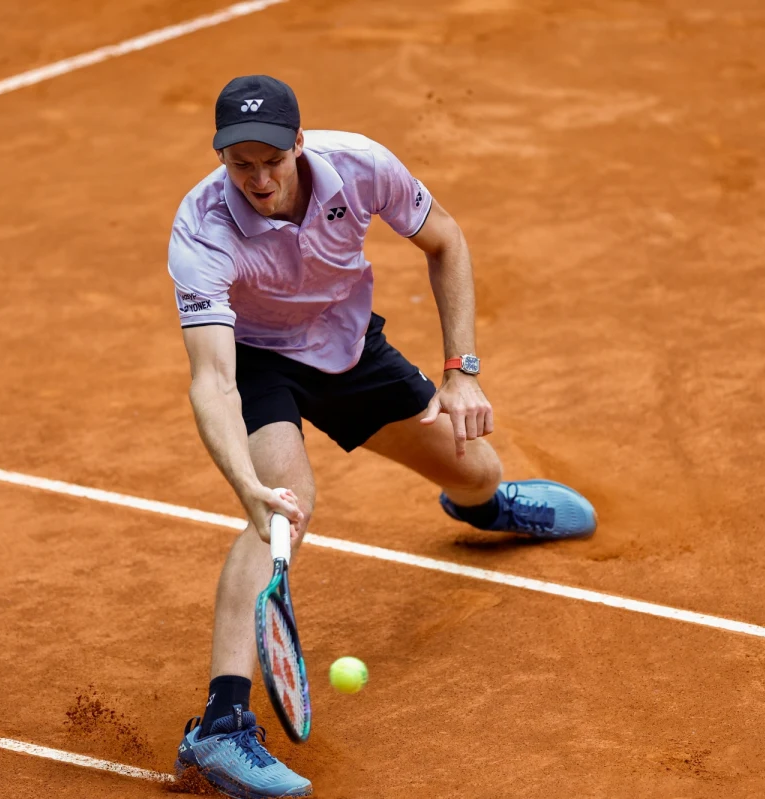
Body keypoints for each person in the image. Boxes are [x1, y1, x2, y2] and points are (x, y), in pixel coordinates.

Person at [168, 75, 597, 798]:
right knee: (277, 510)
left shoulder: (361, 165)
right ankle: (219, 726)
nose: (258, 179)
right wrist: (245, 479)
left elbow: (446, 240)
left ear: (299, 143)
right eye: (240, 164)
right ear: (222, 159)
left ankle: (484, 507)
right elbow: (213, 379)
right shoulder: (202, 226)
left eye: (271, 160)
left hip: (349, 345)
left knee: (478, 472)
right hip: (262, 360)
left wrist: (462, 370)